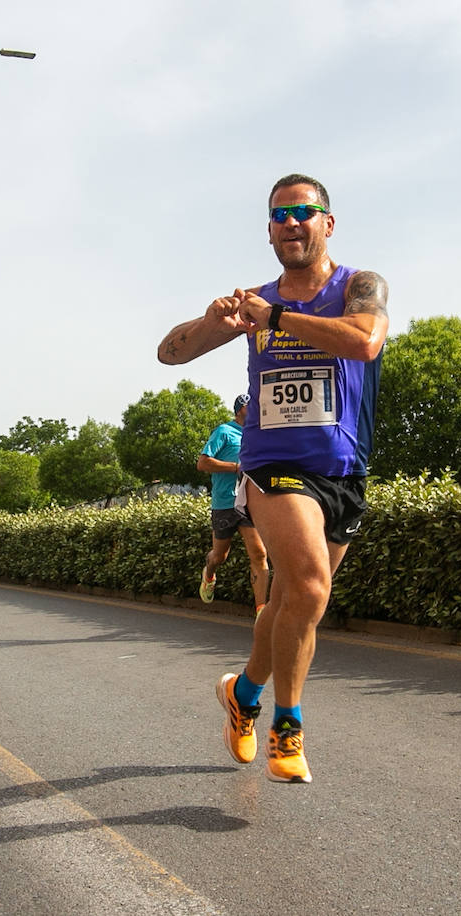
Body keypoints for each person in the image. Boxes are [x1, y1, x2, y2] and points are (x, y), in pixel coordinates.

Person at [158, 173, 389, 784]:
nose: (292, 223)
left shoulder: (358, 286)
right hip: (273, 468)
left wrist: (279, 318)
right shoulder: (254, 301)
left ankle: (243, 694)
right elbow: (169, 353)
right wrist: (214, 324)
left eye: (304, 213)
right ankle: (288, 729)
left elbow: (365, 342)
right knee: (310, 588)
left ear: (327, 223)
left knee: (290, 603)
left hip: (343, 469)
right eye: (280, 215)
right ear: (268, 231)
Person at [197, 394, 270, 614]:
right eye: (250, 405)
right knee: (220, 556)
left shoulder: (258, 434)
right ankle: (209, 574)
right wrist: (235, 467)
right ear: (239, 409)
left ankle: (261, 611)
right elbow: (203, 463)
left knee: (259, 554)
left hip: (249, 501)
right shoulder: (224, 432)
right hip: (225, 502)